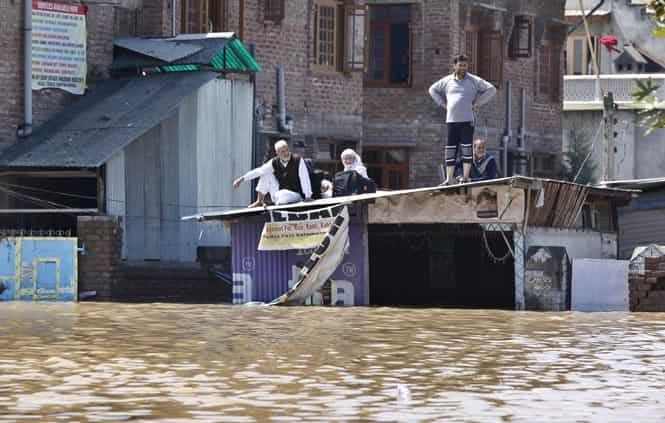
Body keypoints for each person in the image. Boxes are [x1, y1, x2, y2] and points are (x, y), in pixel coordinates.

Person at [429, 54, 497, 185]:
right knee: (450, 149)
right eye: (460, 65)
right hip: (451, 120)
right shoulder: (447, 80)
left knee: (467, 149)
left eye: (465, 65)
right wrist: (443, 104)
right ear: (454, 66)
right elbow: (432, 90)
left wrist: (478, 102)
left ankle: (465, 177)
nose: (462, 68)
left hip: (467, 120)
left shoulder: (473, 80)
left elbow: (491, 89)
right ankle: (449, 179)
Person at [233, 139, 312, 207]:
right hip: (278, 193)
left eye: (287, 150)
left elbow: (304, 178)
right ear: (277, 153)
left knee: (282, 195)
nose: (286, 153)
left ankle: (277, 202)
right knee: (265, 173)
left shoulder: (297, 160)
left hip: (295, 194)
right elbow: (259, 171)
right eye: (283, 152)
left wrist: (308, 196)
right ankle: (259, 200)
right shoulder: (274, 162)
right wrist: (241, 179)